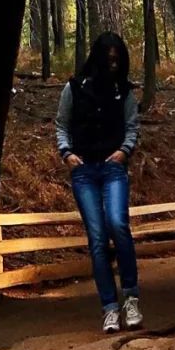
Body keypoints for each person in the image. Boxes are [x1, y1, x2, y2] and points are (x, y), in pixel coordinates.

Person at [55, 31, 143, 334]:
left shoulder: (125, 91)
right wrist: (67, 153)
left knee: (118, 224)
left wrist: (124, 151)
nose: (114, 63)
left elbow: (132, 126)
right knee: (96, 238)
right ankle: (109, 307)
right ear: (98, 57)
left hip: (113, 168)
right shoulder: (74, 89)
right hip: (83, 172)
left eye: (118, 58)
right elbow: (61, 123)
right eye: (109, 58)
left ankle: (130, 297)